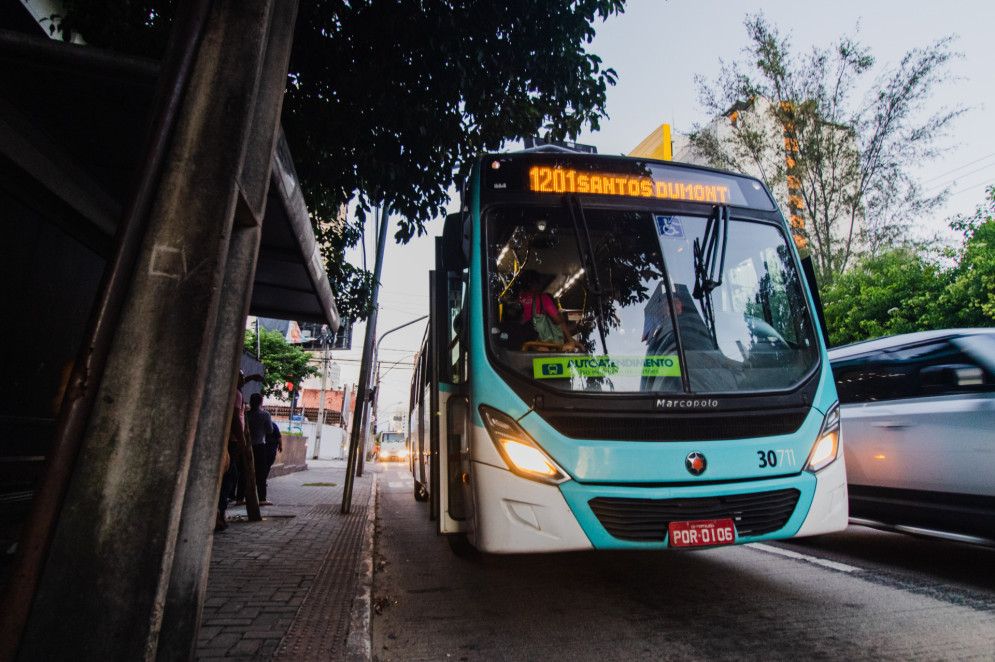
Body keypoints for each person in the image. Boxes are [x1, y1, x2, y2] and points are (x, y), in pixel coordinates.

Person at [516, 269, 583, 351]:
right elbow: (558, 320)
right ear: (535, 283)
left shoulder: (516, 299)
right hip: (540, 346)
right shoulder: (542, 298)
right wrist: (571, 340)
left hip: (520, 346)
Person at [217, 370, 248, 532]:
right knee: (229, 476)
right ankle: (219, 515)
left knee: (229, 476)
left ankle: (219, 514)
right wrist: (241, 437)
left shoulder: (231, 391)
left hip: (229, 440)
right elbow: (235, 417)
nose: (243, 380)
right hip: (232, 441)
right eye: (241, 377)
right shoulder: (236, 394)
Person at [245, 392, 276, 505]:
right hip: (259, 444)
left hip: (246, 445)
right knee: (260, 473)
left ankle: (240, 497)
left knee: (244, 471)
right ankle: (262, 499)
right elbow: (270, 430)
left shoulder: (246, 415)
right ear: (261, 402)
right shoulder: (265, 415)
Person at [263, 418, 282, 490]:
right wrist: (280, 446)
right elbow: (279, 437)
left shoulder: (272, 425)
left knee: (266, 466)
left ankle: (262, 480)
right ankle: (262, 481)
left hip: (268, 449)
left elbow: (278, 437)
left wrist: (280, 445)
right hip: (269, 449)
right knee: (266, 466)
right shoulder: (273, 425)